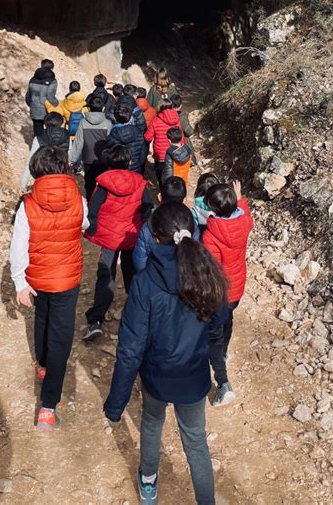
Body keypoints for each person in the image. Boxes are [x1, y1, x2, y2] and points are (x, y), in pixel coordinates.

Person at [104, 202, 228, 505]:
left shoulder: (145, 283)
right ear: (192, 231)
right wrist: (217, 368)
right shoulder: (208, 273)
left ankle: (148, 481)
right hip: (194, 375)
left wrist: (116, 403)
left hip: (156, 376)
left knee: (151, 422)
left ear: (154, 237)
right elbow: (218, 327)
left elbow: (131, 348)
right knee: (196, 441)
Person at [10, 146, 88, 430]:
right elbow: (85, 224)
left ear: (36, 169)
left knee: (41, 317)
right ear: (65, 168)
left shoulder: (27, 204)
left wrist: (20, 282)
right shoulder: (79, 199)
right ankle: (48, 406)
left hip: (37, 277)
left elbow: (18, 245)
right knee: (61, 336)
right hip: (67, 278)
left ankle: (42, 365)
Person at [83, 145, 152, 342]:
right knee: (134, 275)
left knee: (106, 276)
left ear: (109, 162)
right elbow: (147, 209)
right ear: (129, 161)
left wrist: (91, 230)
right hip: (132, 237)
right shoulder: (140, 183)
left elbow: (93, 211)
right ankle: (139, 315)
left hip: (110, 240)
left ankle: (96, 320)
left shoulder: (103, 184)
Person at [202, 180, 254, 407]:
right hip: (237, 287)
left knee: (213, 334)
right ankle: (223, 352)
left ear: (212, 208)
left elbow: (210, 270)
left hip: (219, 292)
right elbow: (246, 214)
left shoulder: (211, 235)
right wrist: (240, 197)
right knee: (227, 319)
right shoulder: (244, 221)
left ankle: (223, 384)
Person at [133, 177, 200, 273]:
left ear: (160, 197)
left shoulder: (148, 226)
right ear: (184, 200)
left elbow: (140, 261)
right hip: (185, 279)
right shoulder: (192, 224)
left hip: (154, 278)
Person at [20, 112, 70, 193]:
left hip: (43, 174)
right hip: (61, 173)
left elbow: (31, 160)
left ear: (44, 125)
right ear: (62, 125)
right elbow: (69, 155)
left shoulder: (38, 138)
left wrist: (23, 184)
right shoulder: (67, 136)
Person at [69, 95, 112, 188]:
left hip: (87, 159)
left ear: (88, 108)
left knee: (89, 185)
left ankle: (90, 201)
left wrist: (72, 159)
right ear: (103, 108)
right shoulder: (108, 123)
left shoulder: (83, 122)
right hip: (104, 160)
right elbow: (110, 143)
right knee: (103, 185)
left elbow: (78, 142)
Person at [144, 99, 183, 187]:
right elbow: (181, 136)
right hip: (175, 152)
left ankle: (163, 191)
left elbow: (148, 138)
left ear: (159, 107)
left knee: (161, 175)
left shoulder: (155, 120)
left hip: (160, 155)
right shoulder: (177, 119)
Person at [107, 103, 147, 174]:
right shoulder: (139, 133)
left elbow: (110, 153)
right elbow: (142, 155)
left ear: (115, 117)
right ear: (130, 117)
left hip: (117, 170)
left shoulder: (112, 134)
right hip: (135, 169)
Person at [25, 59, 58, 138]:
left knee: (37, 134)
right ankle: (48, 148)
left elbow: (28, 96)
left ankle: (37, 148)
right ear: (52, 68)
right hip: (47, 109)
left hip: (34, 108)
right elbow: (50, 96)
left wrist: (32, 104)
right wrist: (57, 105)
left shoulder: (33, 79)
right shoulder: (52, 81)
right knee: (50, 131)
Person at [170, 93, 197, 165]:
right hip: (181, 141)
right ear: (181, 105)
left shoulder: (166, 114)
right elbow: (188, 131)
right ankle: (192, 162)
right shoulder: (181, 117)